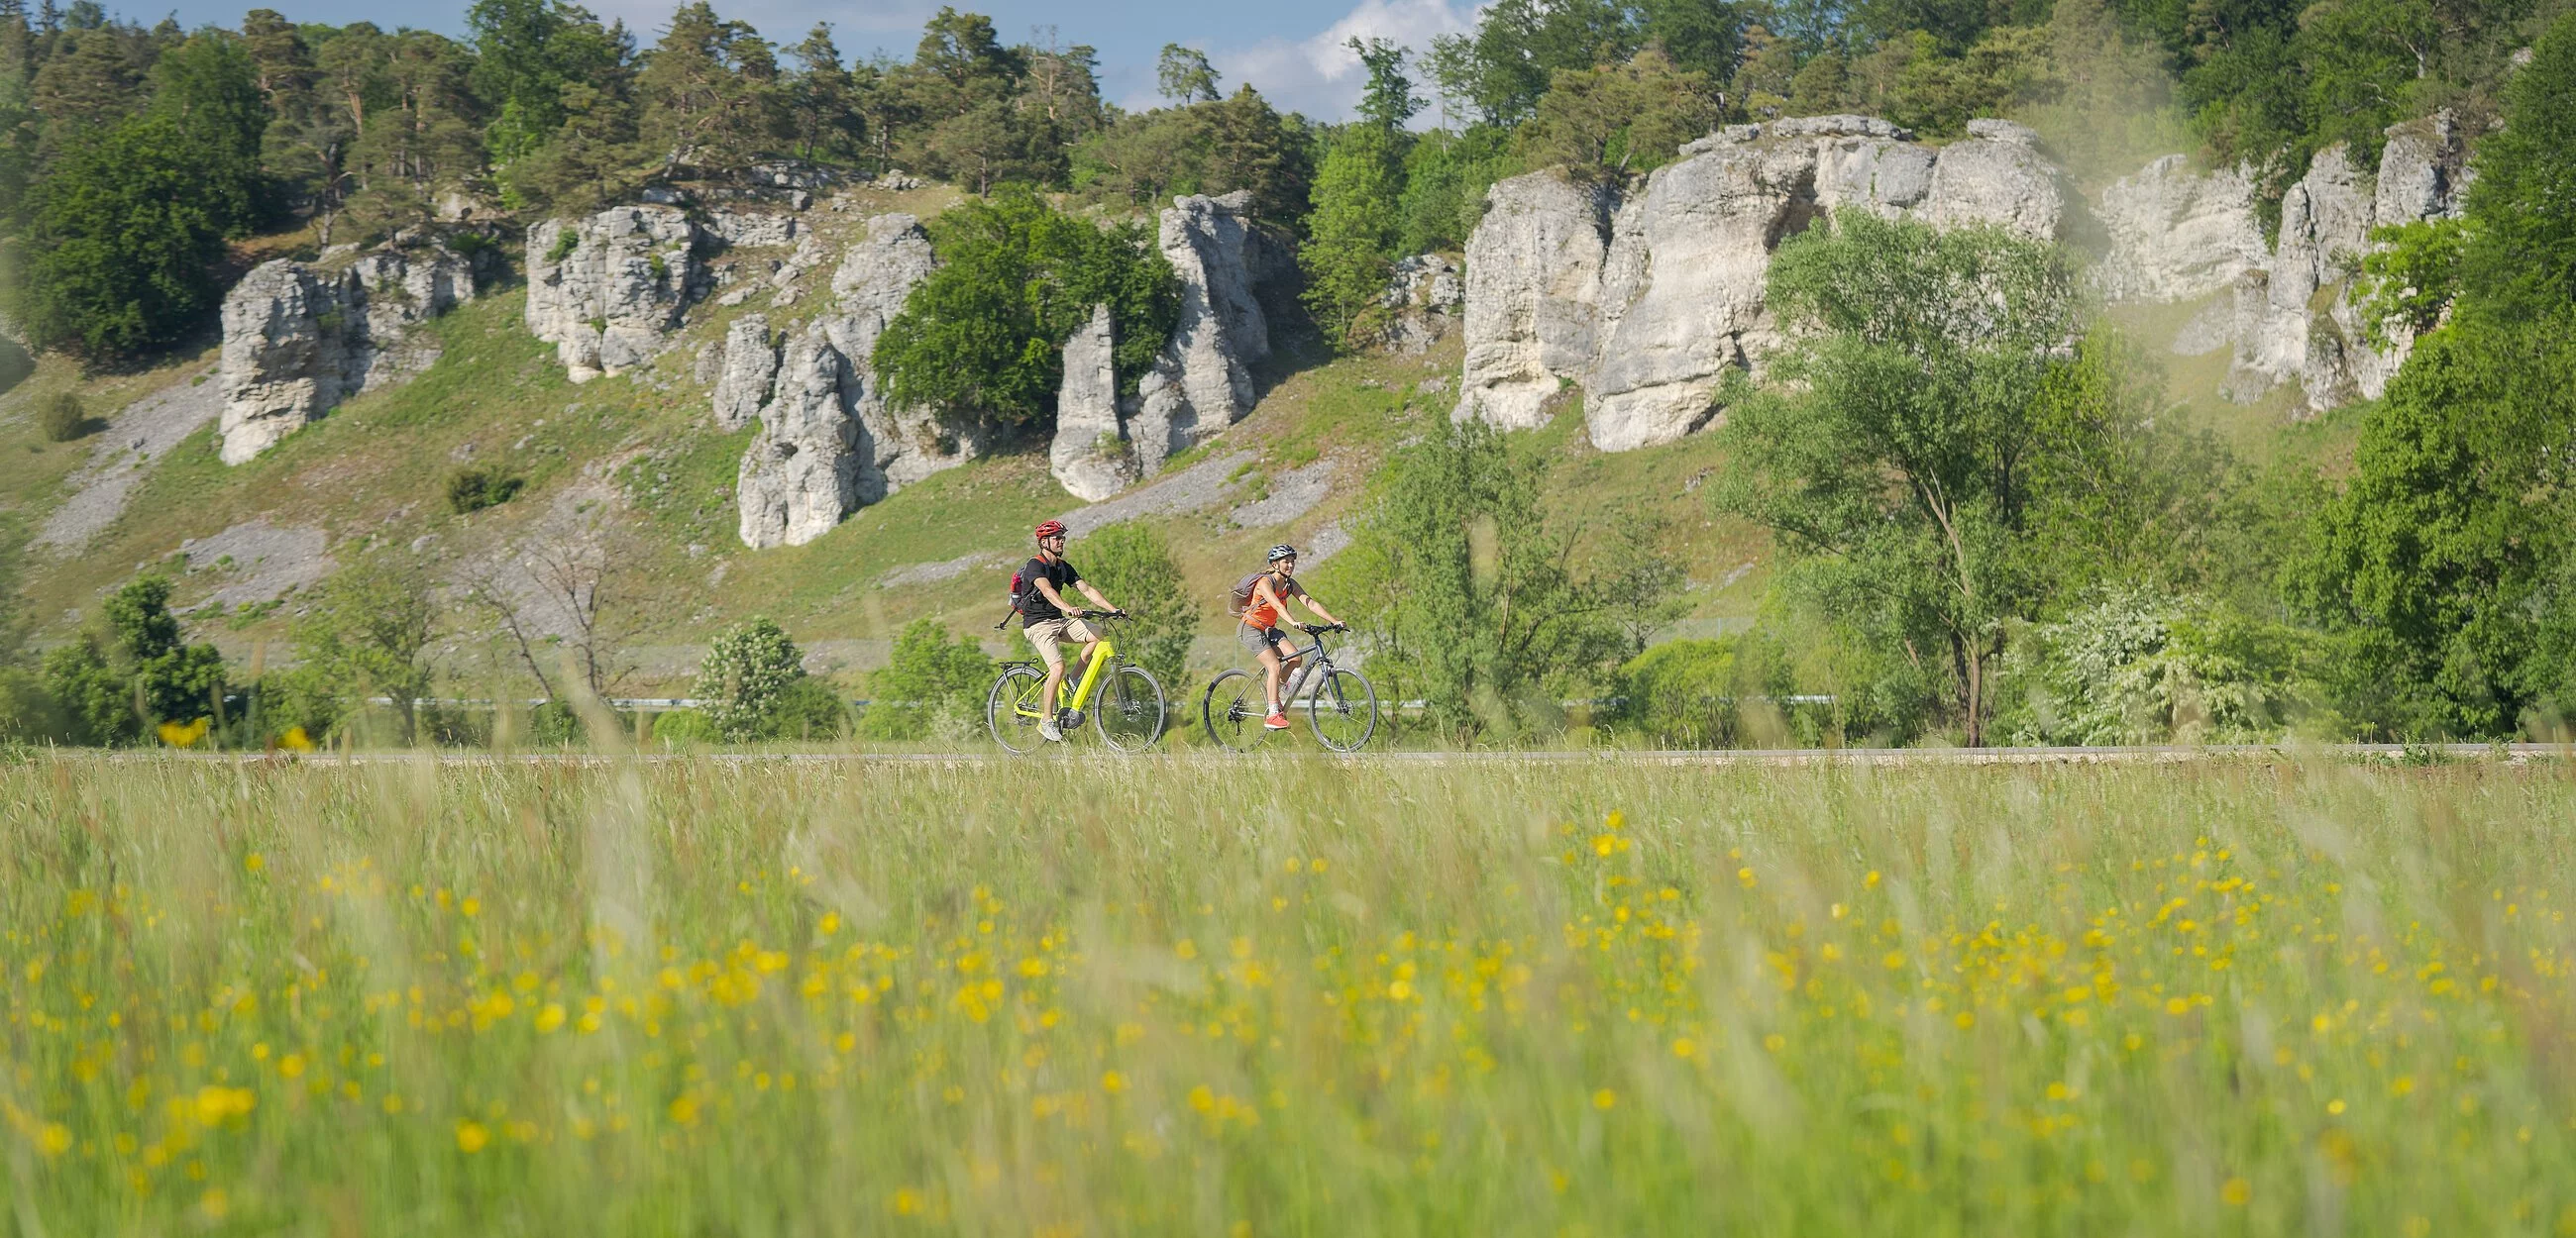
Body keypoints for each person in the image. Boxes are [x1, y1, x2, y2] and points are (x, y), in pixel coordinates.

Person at [1019, 519, 1123, 742]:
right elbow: (1047, 590)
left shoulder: (1063, 567)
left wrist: (1113, 609)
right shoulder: (1035, 565)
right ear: (1044, 542)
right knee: (1057, 667)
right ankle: (1046, 721)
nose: (1061, 541)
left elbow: (1086, 589)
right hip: (1038, 625)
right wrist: (1067, 607)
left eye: (1062, 538)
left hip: (1059, 621)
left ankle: (1072, 680)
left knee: (1099, 635)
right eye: (1057, 538)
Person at [1236, 544, 1345, 730]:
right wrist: (1293, 622)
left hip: (1269, 630)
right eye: (1286, 561)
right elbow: (1277, 606)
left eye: (1292, 561)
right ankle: (1272, 715)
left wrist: (1334, 621)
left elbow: (1310, 603)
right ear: (1275, 564)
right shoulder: (1265, 582)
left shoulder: (1289, 584)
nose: (1291, 565)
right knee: (1274, 666)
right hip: (1250, 628)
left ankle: (1274, 693)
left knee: (1295, 658)